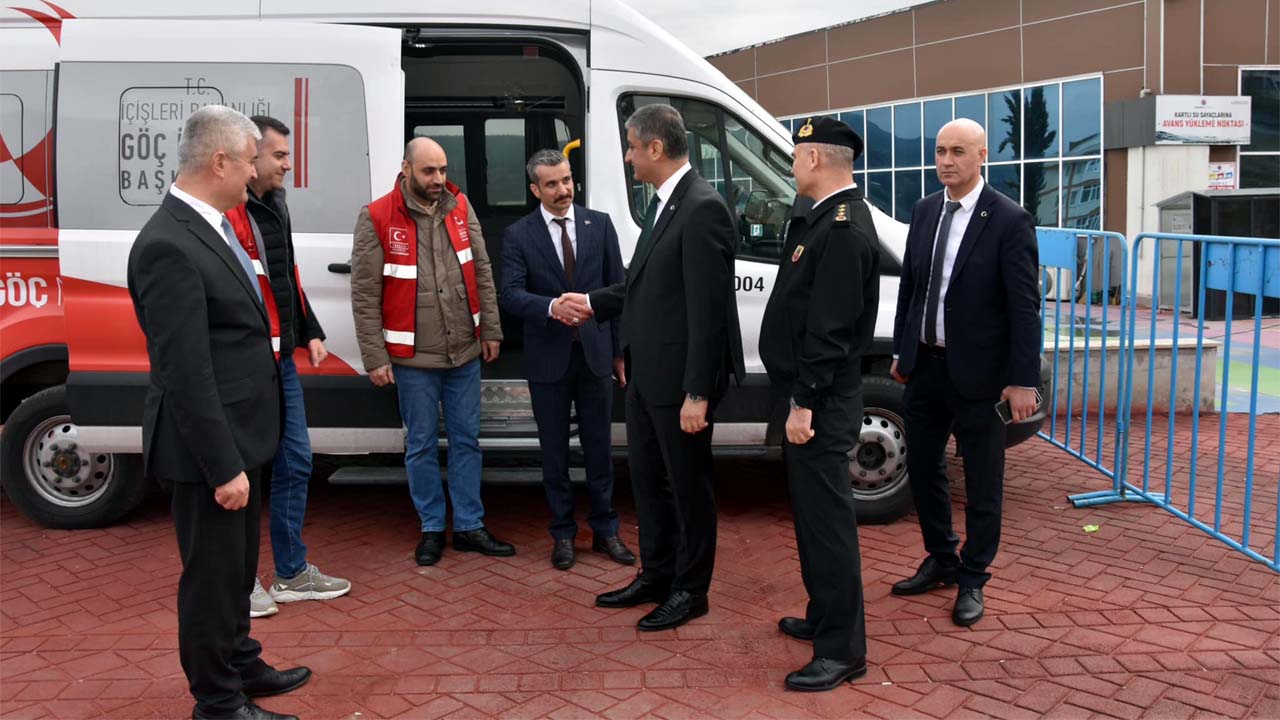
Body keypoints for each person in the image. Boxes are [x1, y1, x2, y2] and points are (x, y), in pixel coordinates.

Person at [127, 105, 309, 720]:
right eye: (252, 157)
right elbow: (185, 370)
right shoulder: (167, 244)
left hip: (243, 435)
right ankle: (218, 701)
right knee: (210, 579)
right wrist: (223, 464)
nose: (259, 168)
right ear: (220, 161)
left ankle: (241, 661)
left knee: (236, 570)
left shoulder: (218, 224)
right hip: (210, 449)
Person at [560, 103, 744, 631]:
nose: (628, 155)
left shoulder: (702, 208)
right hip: (647, 378)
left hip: (680, 384)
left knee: (688, 487)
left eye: (632, 146)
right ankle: (657, 574)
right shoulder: (667, 203)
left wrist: (696, 394)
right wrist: (593, 301)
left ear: (656, 149)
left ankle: (692, 590)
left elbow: (708, 313)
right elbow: (649, 288)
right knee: (648, 482)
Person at [889, 118, 1041, 626]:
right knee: (924, 467)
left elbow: (1025, 307)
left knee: (982, 482)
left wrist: (1023, 381)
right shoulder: (924, 210)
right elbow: (911, 288)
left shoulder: (1009, 219)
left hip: (982, 376)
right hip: (926, 369)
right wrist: (901, 350)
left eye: (957, 151)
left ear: (981, 158)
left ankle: (974, 578)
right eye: (939, 151)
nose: (946, 161)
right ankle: (942, 558)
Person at [351, 137, 513, 566]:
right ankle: (430, 528)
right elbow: (365, 294)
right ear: (406, 169)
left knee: (467, 441)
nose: (439, 179)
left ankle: (469, 526)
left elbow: (481, 268)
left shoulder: (461, 207)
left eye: (443, 170)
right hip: (412, 359)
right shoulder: (376, 216)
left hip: (464, 351)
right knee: (420, 443)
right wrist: (375, 357)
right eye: (429, 171)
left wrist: (490, 329)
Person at [760, 116, 878, 691]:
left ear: (814, 160)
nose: (791, 162)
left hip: (821, 403)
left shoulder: (843, 227)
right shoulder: (816, 219)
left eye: (795, 153)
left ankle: (843, 651)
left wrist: (803, 403)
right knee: (810, 520)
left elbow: (829, 330)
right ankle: (823, 617)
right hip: (807, 395)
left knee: (829, 527)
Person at [224, 115, 351, 619]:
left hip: (282, 359)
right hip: (248, 363)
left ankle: (291, 573)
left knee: (296, 460)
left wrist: (311, 330)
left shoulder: (274, 207)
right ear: (248, 160)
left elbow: (286, 277)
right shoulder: (229, 213)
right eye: (278, 156)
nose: (287, 164)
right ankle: (241, 581)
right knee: (244, 472)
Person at [498, 149, 636, 570]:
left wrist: (617, 352)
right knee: (554, 453)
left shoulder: (600, 225)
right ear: (535, 189)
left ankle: (606, 531)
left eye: (567, 180)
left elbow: (618, 291)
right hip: (548, 360)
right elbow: (511, 295)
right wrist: (551, 307)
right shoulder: (518, 235)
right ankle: (562, 533)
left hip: (595, 357)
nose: (563, 190)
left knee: (599, 449)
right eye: (552, 184)